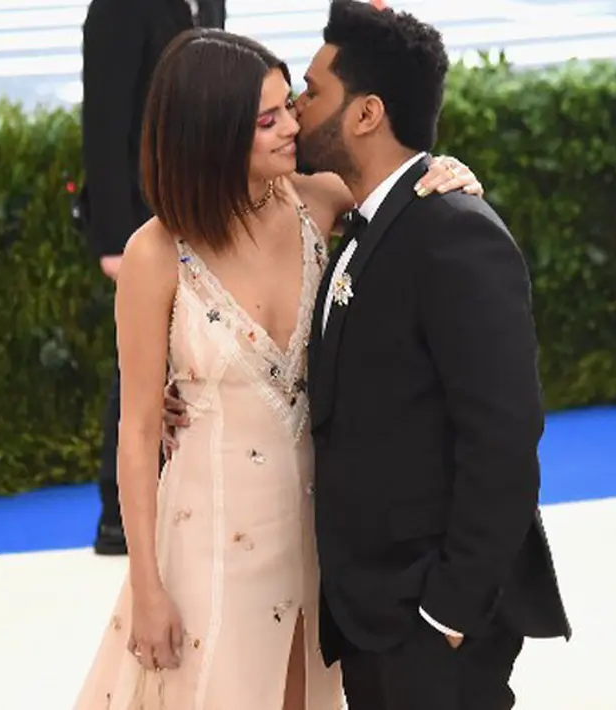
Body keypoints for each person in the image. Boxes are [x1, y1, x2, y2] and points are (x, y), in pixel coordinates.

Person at [162, 3, 572, 707]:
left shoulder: (452, 232)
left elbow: (504, 438)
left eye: (311, 92)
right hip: (367, 610)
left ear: (365, 113)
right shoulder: (357, 220)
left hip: (431, 614)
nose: (294, 111)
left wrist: (448, 612)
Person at [70, 21, 487, 710]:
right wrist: (146, 586)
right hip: (206, 540)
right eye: (267, 119)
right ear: (210, 131)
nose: (292, 124)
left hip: (317, 536)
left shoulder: (319, 200)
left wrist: (450, 172)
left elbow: (406, 204)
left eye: (288, 104)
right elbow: (139, 431)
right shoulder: (154, 253)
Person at [79, 0, 227, 556]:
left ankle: (176, 491)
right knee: (139, 362)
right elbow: (105, 120)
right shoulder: (119, 7)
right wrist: (114, 238)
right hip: (142, 218)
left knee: (189, 348)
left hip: (200, 205)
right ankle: (117, 514)